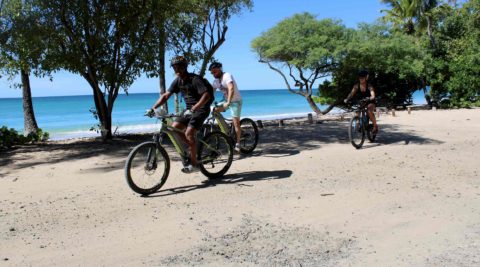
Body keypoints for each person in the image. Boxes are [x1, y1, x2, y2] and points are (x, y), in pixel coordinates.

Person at [149, 56, 213, 173]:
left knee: (189, 133)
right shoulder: (178, 80)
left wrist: (195, 107)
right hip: (189, 110)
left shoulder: (195, 79)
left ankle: (194, 164)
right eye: (174, 67)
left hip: (201, 108)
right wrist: (153, 108)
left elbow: (206, 95)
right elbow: (165, 96)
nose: (176, 69)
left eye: (179, 67)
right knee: (174, 128)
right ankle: (192, 145)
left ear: (185, 67)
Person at [208, 61, 243, 153]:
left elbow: (231, 88)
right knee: (214, 110)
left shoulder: (227, 76)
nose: (213, 74)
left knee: (236, 123)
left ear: (220, 69)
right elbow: (211, 93)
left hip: (235, 101)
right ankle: (226, 130)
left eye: (215, 71)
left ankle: (238, 144)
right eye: (212, 73)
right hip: (225, 101)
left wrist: (228, 102)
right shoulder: (216, 81)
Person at [344, 70, 379, 134]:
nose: (361, 79)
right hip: (362, 101)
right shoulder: (356, 86)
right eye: (360, 78)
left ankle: (375, 126)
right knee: (357, 111)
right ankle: (359, 124)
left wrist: (371, 97)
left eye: (362, 78)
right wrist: (347, 99)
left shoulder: (369, 86)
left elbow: (373, 94)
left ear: (366, 78)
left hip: (370, 101)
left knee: (369, 111)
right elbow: (351, 94)